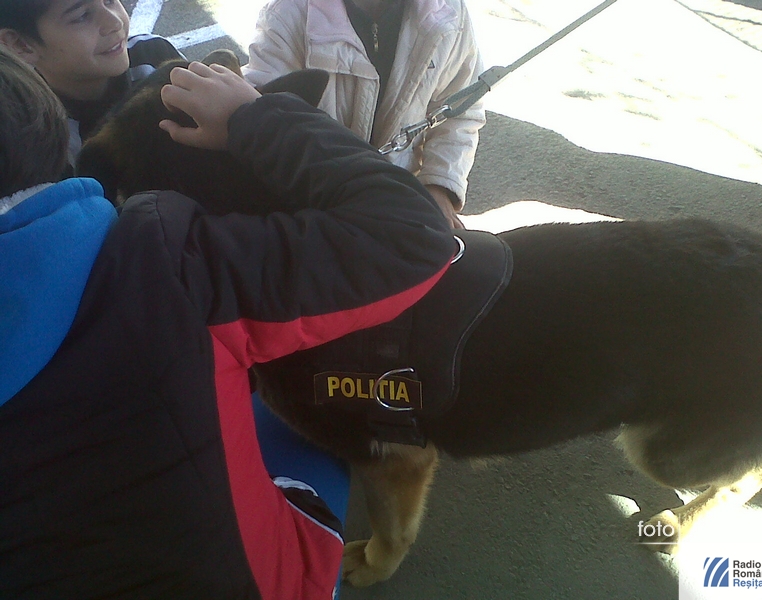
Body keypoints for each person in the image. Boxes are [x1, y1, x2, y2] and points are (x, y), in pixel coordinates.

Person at [0, 45, 454, 599]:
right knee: (306, 406)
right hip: (269, 583)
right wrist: (253, 118)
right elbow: (416, 238)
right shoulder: (167, 264)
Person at [242, 0, 486, 228]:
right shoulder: (288, 15)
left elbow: (459, 113)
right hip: (313, 203)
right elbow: (267, 125)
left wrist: (439, 187)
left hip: (401, 198)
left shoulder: (448, 13)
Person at [0, 0, 183, 169]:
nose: (114, 23)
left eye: (109, 1)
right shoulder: (32, 130)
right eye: (82, 16)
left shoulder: (154, 55)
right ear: (21, 45)